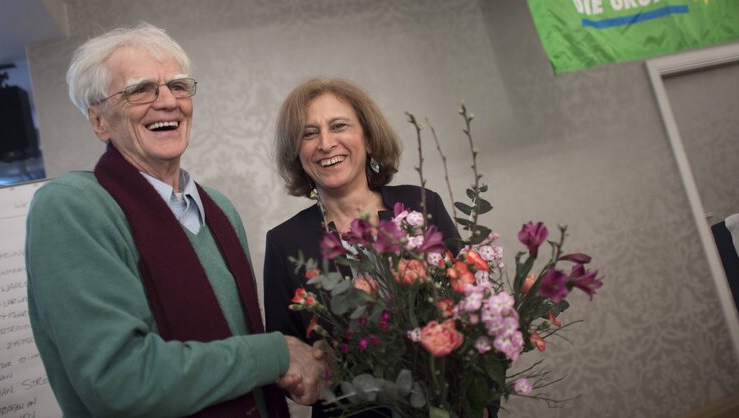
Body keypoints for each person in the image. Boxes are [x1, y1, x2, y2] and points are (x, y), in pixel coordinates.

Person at [25, 22, 325, 418]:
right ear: (99, 121)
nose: (168, 101)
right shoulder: (73, 208)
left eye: (178, 86)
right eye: (140, 89)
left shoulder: (219, 208)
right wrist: (276, 354)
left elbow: (239, 354)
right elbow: (123, 381)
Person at [263, 78, 461, 417]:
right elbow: (293, 361)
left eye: (338, 126)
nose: (325, 143)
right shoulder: (285, 243)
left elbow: (472, 308)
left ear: (368, 138)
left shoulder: (422, 204)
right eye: (309, 134)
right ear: (297, 152)